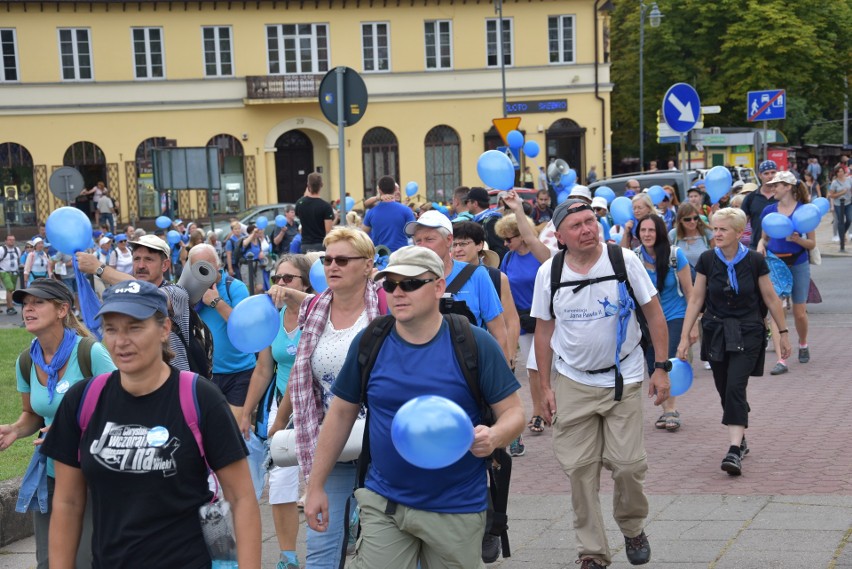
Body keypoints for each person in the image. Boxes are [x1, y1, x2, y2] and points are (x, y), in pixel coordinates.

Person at [304, 245, 525, 568]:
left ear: (438, 287)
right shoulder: (371, 342)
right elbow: (339, 414)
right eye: (389, 285)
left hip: (457, 506)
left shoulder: (473, 343)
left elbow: (514, 412)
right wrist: (315, 486)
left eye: (409, 284)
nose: (397, 293)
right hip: (385, 503)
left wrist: (494, 436)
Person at [40, 279, 261, 567]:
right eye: (111, 329)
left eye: (135, 327)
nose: (121, 341)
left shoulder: (200, 398)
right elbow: (68, 503)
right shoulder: (83, 400)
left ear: (164, 329)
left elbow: (242, 498)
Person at [531, 199, 671, 569]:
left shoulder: (624, 261)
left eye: (590, 221)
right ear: (559, 236)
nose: (587, 229)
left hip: (622, 377)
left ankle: (632, 526)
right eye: (576, 225)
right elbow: (543, 332)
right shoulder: (550, 272)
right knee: (579, 471)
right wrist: (544, 387)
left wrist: (661, 367)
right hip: (573, 380)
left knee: (627, 465)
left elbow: (654, 314)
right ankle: (592, 551)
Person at [0, 279, 115, 569]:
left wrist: (74, 428)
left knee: (87, 560)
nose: (28, 309)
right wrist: (15, 429)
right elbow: (33, 415)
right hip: (51, 474)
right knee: (49, 561)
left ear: (62, 309)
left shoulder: (90, 353)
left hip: (94, 475)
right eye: (25, 303)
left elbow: (123, 409)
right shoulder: (27, 360)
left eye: (38, 302)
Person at [288, 227, 382, 569]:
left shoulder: (385, 306)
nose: (333, 266)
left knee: (383, 549)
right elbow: (301, 373)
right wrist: (280, 419)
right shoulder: (313, 309)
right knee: (320, 550)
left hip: (381, 447)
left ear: (368, 265)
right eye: (328, 259)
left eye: (343, 259)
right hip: (330, 443)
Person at [677, 208, 791, 476]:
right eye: (715, 228)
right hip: (716, 330)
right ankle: (741, 432)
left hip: (748, 330)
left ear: (739, 233)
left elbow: (771, 298)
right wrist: (685, 336)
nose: (716, 233)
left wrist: (784, 334)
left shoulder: (754, 261)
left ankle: (733, 450)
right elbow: (696, 299)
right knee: (724, 388)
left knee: (735, 386)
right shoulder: (706, 259)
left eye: (723, 229)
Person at [242, 255, 313, 569]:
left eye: (289, 278)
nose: (281, 285)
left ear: (306, 283)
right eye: (278, 278)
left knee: (333, 477)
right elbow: (262, 369)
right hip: (282, 407)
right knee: (281, 483)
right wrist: (246, 412)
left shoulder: (318, 312)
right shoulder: (273, 319)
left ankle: (347, 525)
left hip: (323, 408)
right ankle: (288, 556)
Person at [75, 234, 195, 372]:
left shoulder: (176, 293)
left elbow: (146, 293)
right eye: (136, 259)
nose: (141, 265)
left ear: (165, 265)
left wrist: (99, 267)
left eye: (149, 259)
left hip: (176, 384)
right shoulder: (129, 296)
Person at [405, 210, 511, 361]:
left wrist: (502, 378)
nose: (422, 246)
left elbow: (499, 333)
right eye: (418, 241)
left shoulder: (477, 275)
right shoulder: (405, 279)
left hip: (469, 372)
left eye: (429, 239)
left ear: (449, 240)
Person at [496, 191, 551, 447]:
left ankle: (545, 410)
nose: (505, 244)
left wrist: (517, 209)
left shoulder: (540, 253)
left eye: (509, 239)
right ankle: (541, 410)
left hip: (545, 319)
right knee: (533, 370)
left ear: (520, 233)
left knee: (541, 368)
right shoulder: (507, 258)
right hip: (523, 321)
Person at [635, 214, 695, 432]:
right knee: (653, 364)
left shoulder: (674, 255)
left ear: (659, 232)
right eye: (643, 231)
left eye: (651, 230)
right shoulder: (634, 257)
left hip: (675, 315)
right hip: (648, 321)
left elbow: (690, 291)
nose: (647, 235)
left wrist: (693, 324)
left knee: (666, 361)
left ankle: (670, 411)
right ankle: (667, 411)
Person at [188, 244, 258, 419]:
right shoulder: (191, 291)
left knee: (236, 426)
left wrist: (216, 302)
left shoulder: (235, 287)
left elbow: (243, 327)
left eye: (206, 264)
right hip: (207, 374)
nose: (201, 270)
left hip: (240, 372)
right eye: (195, 266)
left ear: (218, 264)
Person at [758, 172, 817, 375]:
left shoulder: (804, 211)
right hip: (775, 263)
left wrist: (798, 240)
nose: (772, 188)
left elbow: (812, 243)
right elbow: (764, 238)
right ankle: (781, 359)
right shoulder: (768, 210)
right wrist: (760, 246)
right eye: (772, 185)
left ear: (789, 187)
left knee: (799, 312)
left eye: (777, 185)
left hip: (798, 261)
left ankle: (802, 343)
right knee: (777, 310)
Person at [451, 222, 520, 369]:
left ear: (479, 245)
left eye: (463, 243)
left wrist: (510, 355)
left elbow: (511, 320)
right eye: (454, 244)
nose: (458, 249)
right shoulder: (442, 277)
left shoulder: (497, 277)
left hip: (486, 355)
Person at [362, 175, 415, 252]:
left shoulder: (371, 212)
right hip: (401, 255)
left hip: (380, 256)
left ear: (379, 191)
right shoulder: (406, 210)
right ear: (395, 189)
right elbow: (414, 234)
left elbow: (362, 235)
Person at [741, 160, 778, 248]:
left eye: (773, 172)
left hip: (779, 247)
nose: (770, 176)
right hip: (756, 245)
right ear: (760, 175)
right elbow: (742, 222)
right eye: (766, 173)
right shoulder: (751, 197)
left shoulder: (782, 196)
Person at [295, 172, 334, 253]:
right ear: (321, 185)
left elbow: (300, 218)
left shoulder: (300, 203)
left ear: (308, 186)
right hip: (321, 245)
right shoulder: (326, 206)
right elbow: (328, 231)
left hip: (305, 245)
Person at [668, 203, 714, 269]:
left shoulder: (707, 233)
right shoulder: (673, 234)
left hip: (706, 276)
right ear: (680, 220)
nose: (692, 221)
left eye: (695, 218)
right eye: (687, 219)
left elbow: (715, 257)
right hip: (681, 277)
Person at [466, 186, 508, 259]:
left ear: (475, 203)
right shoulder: (474, 220)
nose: (466, 204)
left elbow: (500, 248)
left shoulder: (491, 220)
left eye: (467, 201)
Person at [240, 223, 271, 294]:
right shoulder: (246, 239)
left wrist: (261, 253)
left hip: (257, 264)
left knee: (260, 286)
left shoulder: (258, 241)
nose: (257, 233)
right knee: (250, 286)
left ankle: (253, 297)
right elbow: (244, 244)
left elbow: (259, 250)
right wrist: (253, 233)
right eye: (256, 232)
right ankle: (251, 299)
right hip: (247, 265)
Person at [828, 166, 852, 251]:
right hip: (839, 204)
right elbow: (831, 195)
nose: (840, 173)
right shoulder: (834, 183)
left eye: (842, 171)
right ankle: (842, 240)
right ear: (836, 173)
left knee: (849, 219)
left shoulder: (849, 180)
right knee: (840, 221)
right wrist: (842, 192)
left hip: (848, 202)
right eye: (839, 172)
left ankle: (842, 233)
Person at [1, 234, 22, 314]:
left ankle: (9, 307)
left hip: (14, 272)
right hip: (4, 272)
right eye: (9, 240)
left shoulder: (17, 249)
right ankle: (10, 308)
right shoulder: (2, 249)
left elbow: (18, 260)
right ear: (5, 241)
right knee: (10, 288)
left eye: (13, 240)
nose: (11, 241)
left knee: (11, 290)